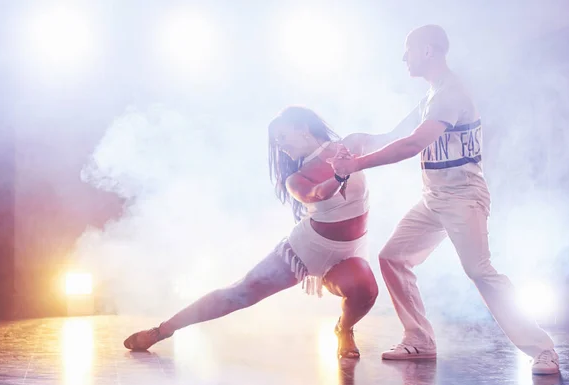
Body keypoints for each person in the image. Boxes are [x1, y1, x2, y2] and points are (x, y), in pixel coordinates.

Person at [328, 24, 559, 374]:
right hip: (434, 199)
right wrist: (357, 142)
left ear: (428, 51)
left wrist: (356, 164)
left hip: (463, 197)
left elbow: (412, 144)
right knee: (392, 257)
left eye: (409, 49)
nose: (403, 57)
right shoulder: (431, 95)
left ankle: (543, 350)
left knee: (479, 270)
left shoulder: (451, 93)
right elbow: (394, 136)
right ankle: (419, 338)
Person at [123, 105, 387, 358]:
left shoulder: (349, 146)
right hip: (306, 250)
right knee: (239, 294)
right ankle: (162, 330)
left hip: (349, 250)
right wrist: (340, 176)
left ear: (303, 128)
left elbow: (398, 139)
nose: (281, 146)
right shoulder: (295, 178)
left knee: (365, 288)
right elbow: (315, 194)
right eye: (277, 142)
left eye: (283, 136)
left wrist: (429, 106)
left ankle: (344, 329)